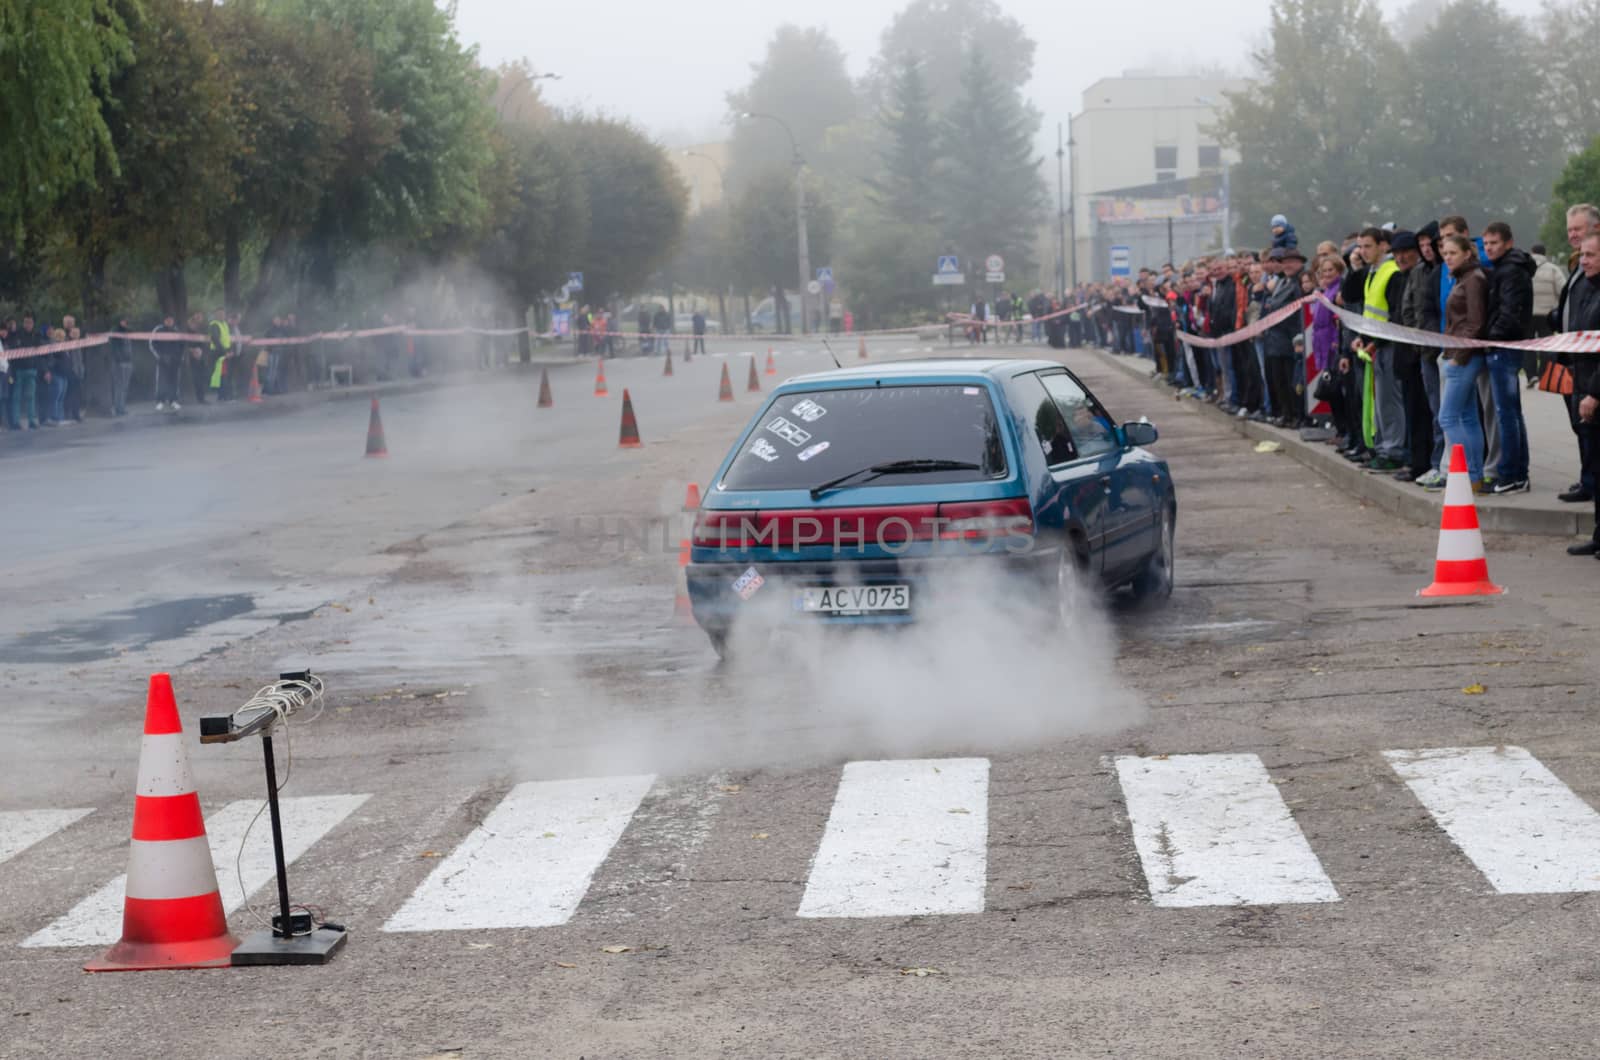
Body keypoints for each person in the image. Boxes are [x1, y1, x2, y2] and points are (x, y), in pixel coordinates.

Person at [1479, 221, 1534, 494]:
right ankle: (1518, 473)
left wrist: (1491, 337)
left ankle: (1511, 474)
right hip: (1502, 345)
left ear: (1508, 243)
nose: (1489, 248)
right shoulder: (1503, 269)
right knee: (1511, 412)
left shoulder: (1511, 271)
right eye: (1486, 243)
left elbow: (1510, 312)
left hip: (1504, 347)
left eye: (1494, 243)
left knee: (1506, 414)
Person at [1554, 231, 1600, 557]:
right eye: (1582, 255)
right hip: (1582, 385)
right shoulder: (1586, 288)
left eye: (1591, 255)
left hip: (1595, 391)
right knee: (1595, 467)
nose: (1583, 261)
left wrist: (1594, 393)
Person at [1437, 234, 1491, 491]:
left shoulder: (1473, 280)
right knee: (1468, 418)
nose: (1447, 258)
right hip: (1458, 353)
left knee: (1447, 417)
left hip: (1463, 357)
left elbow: (1476, 322)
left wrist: (1458, 357)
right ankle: (1474, 478)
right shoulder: (1463, 278)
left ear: (1467, 253)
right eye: (1445, 254)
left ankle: (1468, 475)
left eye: (1453, 253)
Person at [1401, 222, 1447, 489]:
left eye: (1430, 244)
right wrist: (1417, 340)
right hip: (1424, 350)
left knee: (1447, 412)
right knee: (1435, 411)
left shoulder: (1445, 271)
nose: (1427, 250)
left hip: (1447, 349)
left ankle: (1444, 463)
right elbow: (1409, 307)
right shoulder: (1418, 272)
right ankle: (1436, 462)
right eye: (1423, 246)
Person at [1261, 247, 1308, 427]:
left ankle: (1296, 415)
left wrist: (1297, 338)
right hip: (1275, 339)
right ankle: (1285, 413)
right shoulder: (1282, 282)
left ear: (1299, 263)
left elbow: (1299, 314)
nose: (1287, 265)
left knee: (1292, 381)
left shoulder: (1298, 284)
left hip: (1289, 339)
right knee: (1278, 379)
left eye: (1291, 262)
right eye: (1285, 262)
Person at [151, 312, 182, 411]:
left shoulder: (176, 330)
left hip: (174, 361)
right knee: (161, 381)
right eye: (168, 320)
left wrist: (178, 357)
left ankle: (173, 401)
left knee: (174, 381)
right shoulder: (158, 330)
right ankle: (160, 401)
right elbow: (152, 344)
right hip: (162, 361)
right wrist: (160, 357)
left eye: (171, 320)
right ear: (164, 321)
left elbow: (181, 346)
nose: (170, 322)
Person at [110, 316, 134, 416]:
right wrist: (119, 360)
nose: (126, 323)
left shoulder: (127, 332)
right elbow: (114, 348)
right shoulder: (115, 332)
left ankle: (122, 407)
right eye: (124, 321)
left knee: (124, 386)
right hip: (119, 363)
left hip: (128, 361)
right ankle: (118, 408)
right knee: (119, 386)